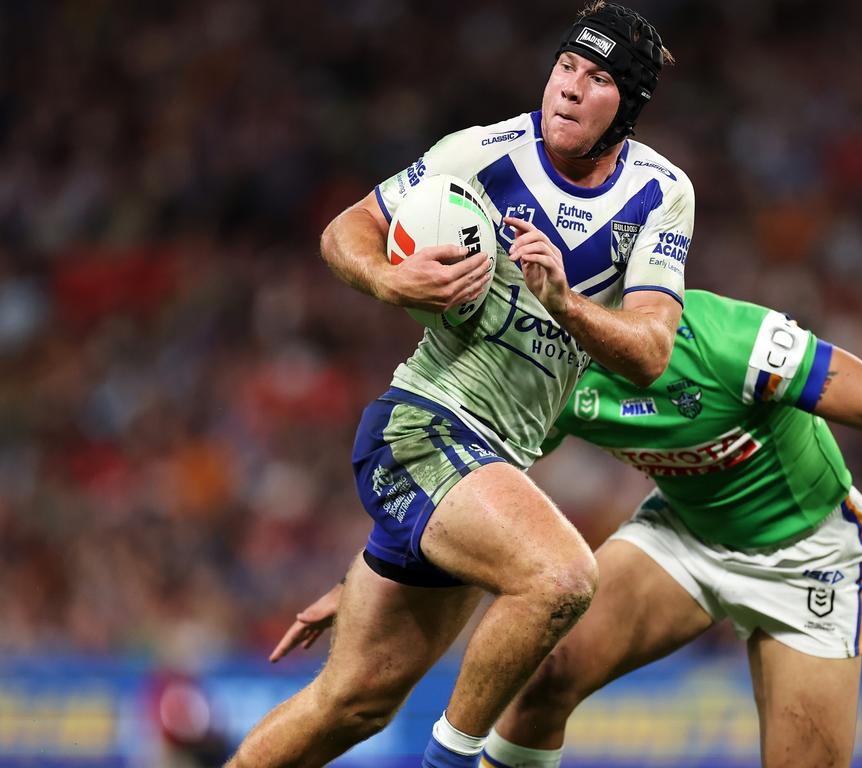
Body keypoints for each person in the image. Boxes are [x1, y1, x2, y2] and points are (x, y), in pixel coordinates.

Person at [270, 290, 862, 768]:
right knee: (542, 675)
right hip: (683, 538)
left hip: (810, 562)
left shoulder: (731, 339)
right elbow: (467, 490)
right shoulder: (557, 373)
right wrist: (367, 573)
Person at [227, 4, 692, 767]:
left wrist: (564, 301)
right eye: (567, 66)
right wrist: (386, 276)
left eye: (599, 78)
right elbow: (345, 229)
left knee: (352, 704)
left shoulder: (660, 195)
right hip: (421, 426)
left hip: (485, 475)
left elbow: (648, 353)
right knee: (563, 578)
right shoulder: (478, 154)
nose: (571, 88)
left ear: (628, 107)